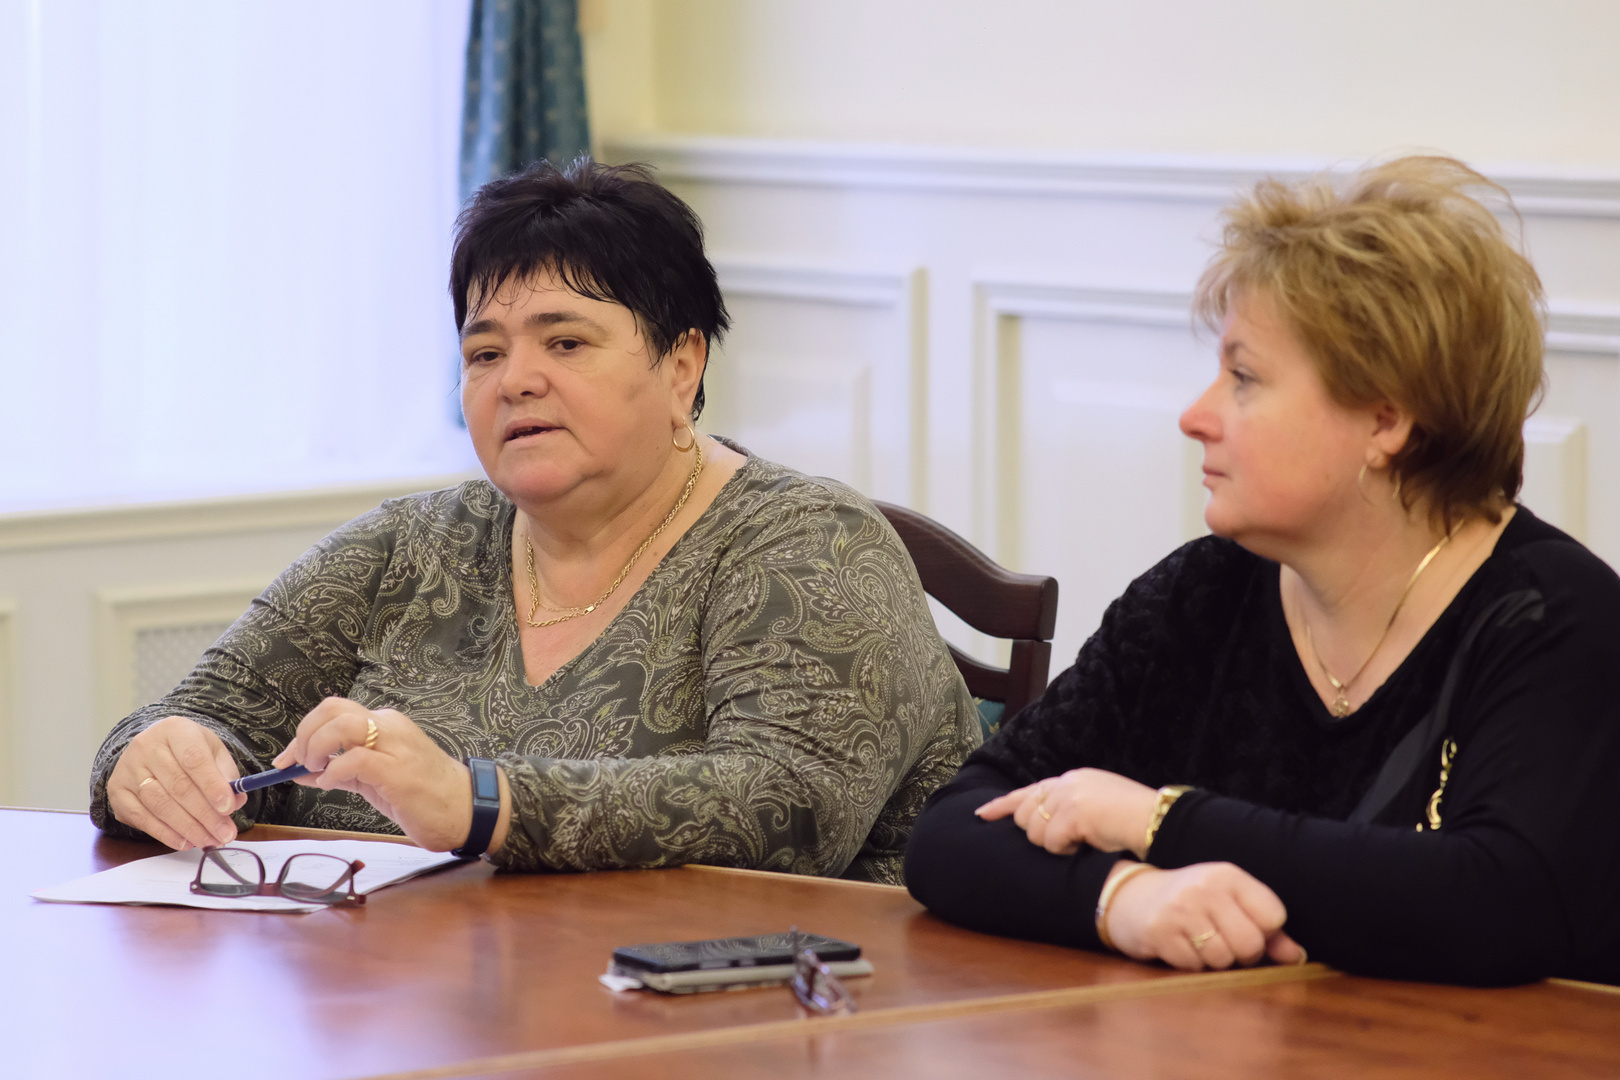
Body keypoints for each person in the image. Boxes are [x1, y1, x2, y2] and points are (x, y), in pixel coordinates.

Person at [90, 159, 978, 884]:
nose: (515, 379)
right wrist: (158, 760)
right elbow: (203, 713)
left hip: (761, 1009)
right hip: (425, 1000)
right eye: (484, 352)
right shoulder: (406, 547)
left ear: (681, 366)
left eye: (566, 342)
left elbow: (790, 809)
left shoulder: (809, 543)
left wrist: (477, 804)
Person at [904, 156, 1620, 985]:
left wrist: (1158, 822)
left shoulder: (1558, 620)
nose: (1195, 416)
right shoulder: (1201, 594)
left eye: (1243, 378)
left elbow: (1498, 903)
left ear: (1385, 421)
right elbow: (953, 831)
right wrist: (1121, 897)